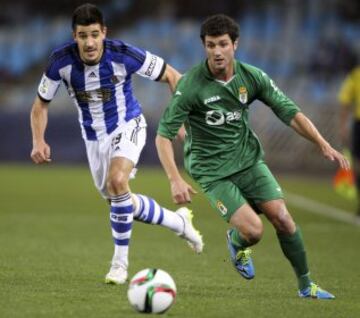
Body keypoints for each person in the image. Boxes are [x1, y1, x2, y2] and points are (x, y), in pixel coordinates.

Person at [156, 14, 350, 299]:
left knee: (283, 219)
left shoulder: (252, 77)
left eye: (223, 44)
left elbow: (289, 111)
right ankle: (237, 242)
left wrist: (322, 142)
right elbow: (163, 135)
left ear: (235, 44)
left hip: (248, 161)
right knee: (254, 231)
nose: (217, 51)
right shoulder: (190, 86)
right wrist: (174, 179)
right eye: (211, 45)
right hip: (211, 171)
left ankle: (306, 285)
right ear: (204, 46)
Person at [30, 3, 203, 285]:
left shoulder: (123, 54)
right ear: (74, 36)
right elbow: (40, 105)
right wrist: (38, 139)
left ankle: (119, 265)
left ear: (104, 33)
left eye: (94, 35)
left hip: (129, 124)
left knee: (118, 180)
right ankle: (180, 223)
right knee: (120, 200)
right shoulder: (60, 62)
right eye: (83, 36)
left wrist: (179, 121)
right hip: (93, 140)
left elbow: (173, 76)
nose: (89, 42)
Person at [338, 65, 360, 217]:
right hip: (358, 123)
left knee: (358, 163)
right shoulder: (355, 75)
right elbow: (345, 101)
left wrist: (343, 126)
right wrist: (344, 125)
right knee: (357, 163)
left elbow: (345, 101)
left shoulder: (355, 74)